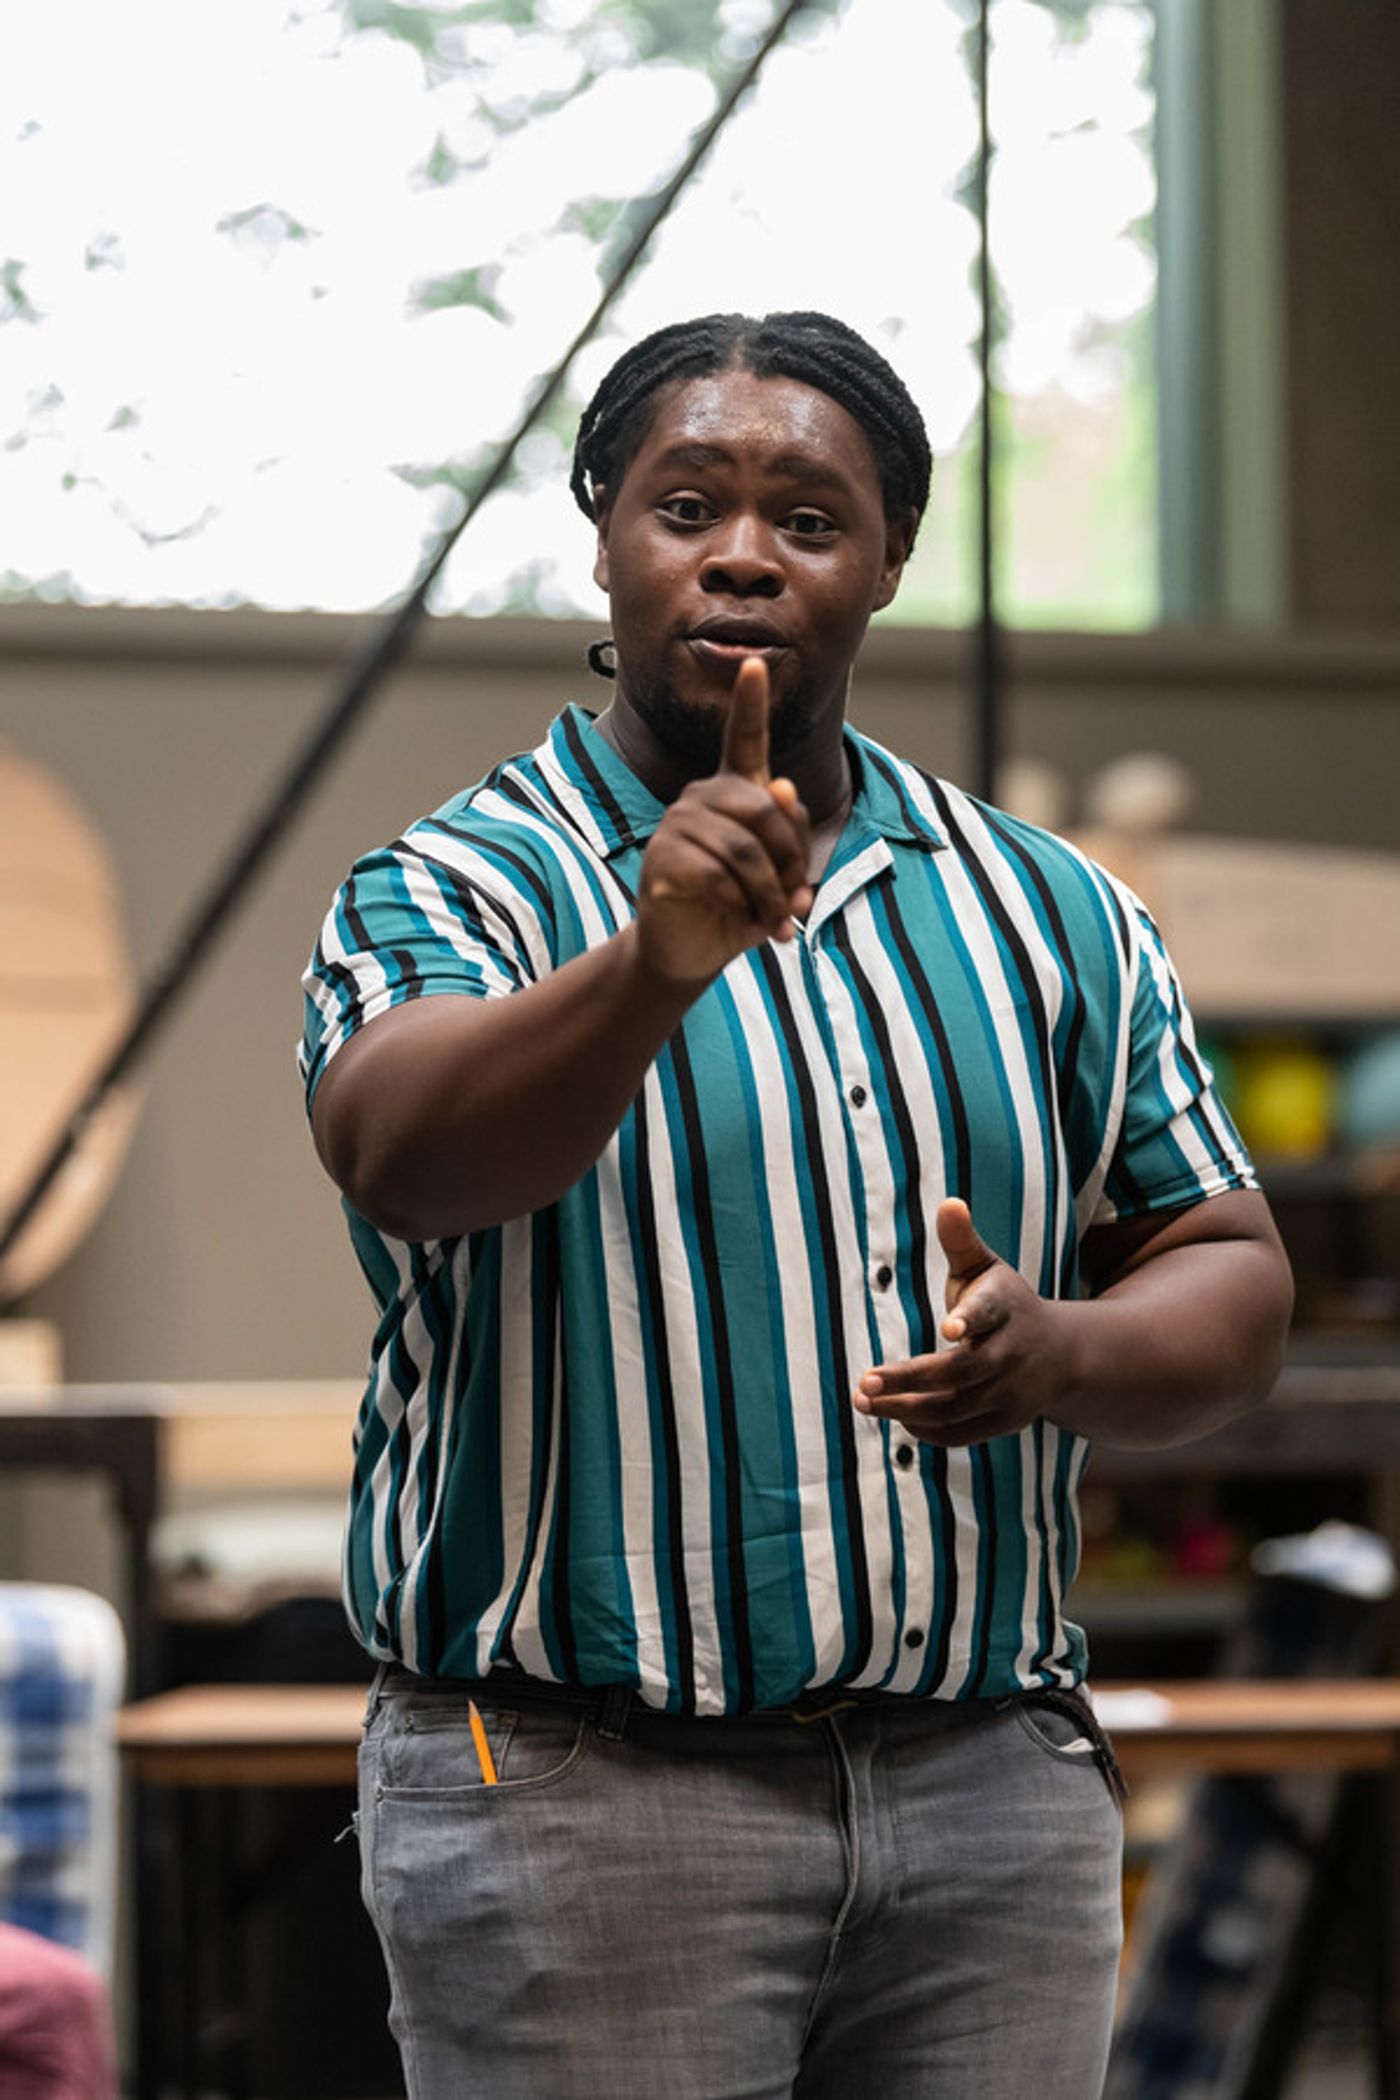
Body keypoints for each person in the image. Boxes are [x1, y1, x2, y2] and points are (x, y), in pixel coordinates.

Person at [300, 310, 1293, 2099]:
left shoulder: (1053, 910)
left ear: (886, 563)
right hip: (586, 1807)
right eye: (687, 506)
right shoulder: (453, 882)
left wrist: (1059, 1349)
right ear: (604, 532)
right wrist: (651, 965)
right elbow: (404, 1155)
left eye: (809, 520)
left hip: (991, 1798)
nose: (743, 555)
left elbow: (1232, 1273)